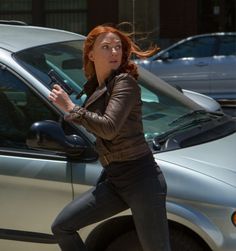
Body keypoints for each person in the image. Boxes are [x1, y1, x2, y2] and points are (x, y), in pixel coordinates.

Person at [49, 24, 171, 251]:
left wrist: (70, 107)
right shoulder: (97, 87)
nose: (114, 52)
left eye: (117, 47)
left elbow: (109, 128)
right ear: (91, 54)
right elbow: (95, 125)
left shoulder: (125, 83)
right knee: (62, 227)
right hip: (115, 179)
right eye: (106, 47)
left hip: (142, 180)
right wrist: (68, 114)